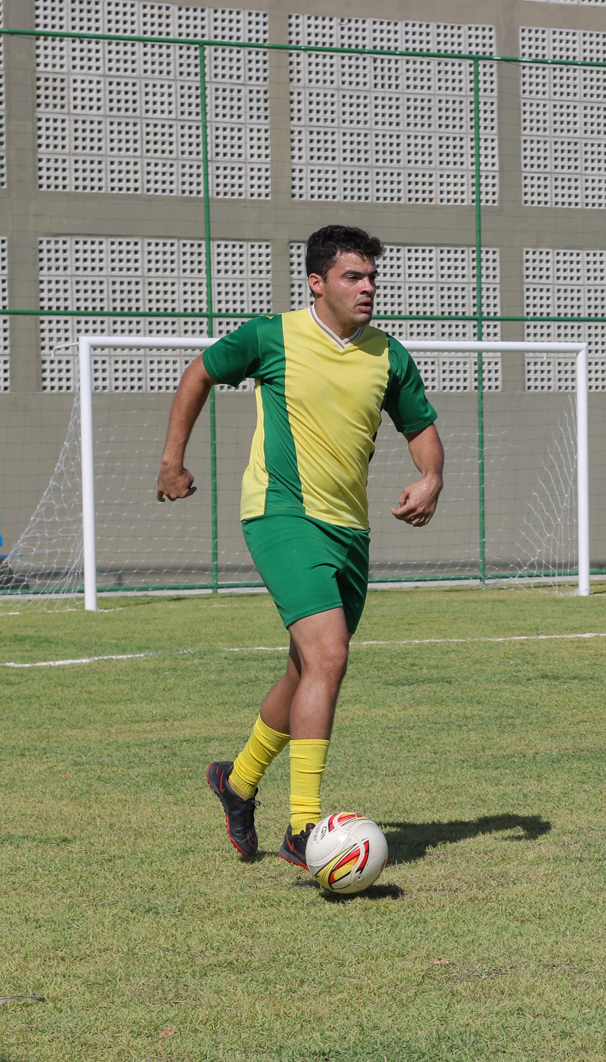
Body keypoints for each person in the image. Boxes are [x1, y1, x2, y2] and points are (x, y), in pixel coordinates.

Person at [156, 224, 445, 870]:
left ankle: (235, 783)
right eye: (352, 276)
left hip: (350, 531)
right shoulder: (270, 337)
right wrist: (172, 462)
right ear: (317, 283)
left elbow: (421, 428)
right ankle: (305, 829)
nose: (367, 287)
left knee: (306, 670)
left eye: (372, 276)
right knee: (330, 655)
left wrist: (432, 477)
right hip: (281, 515)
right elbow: (198, 373)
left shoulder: (389, 356)